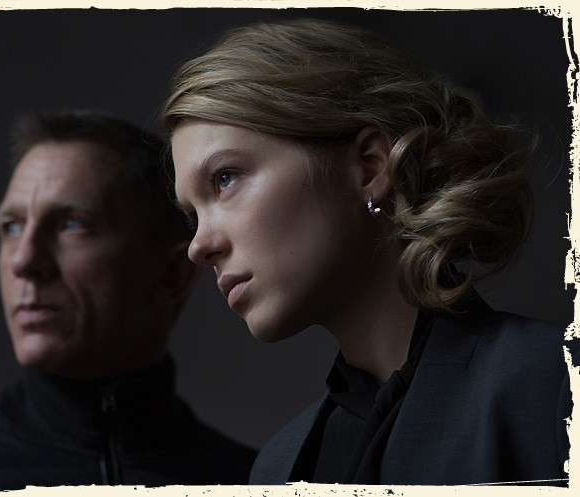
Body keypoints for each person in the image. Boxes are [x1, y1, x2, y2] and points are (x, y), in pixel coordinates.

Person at [161, 18, 575, 486]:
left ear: (370, 166)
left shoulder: (556, 385)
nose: (198, 246)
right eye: (192, 215)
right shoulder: (278, 468)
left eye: (225, 179)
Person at [0, 110, 256, 490]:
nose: (24, 261)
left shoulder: (258, 481)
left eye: (71, 224)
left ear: (171, 274)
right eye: (12, 227)